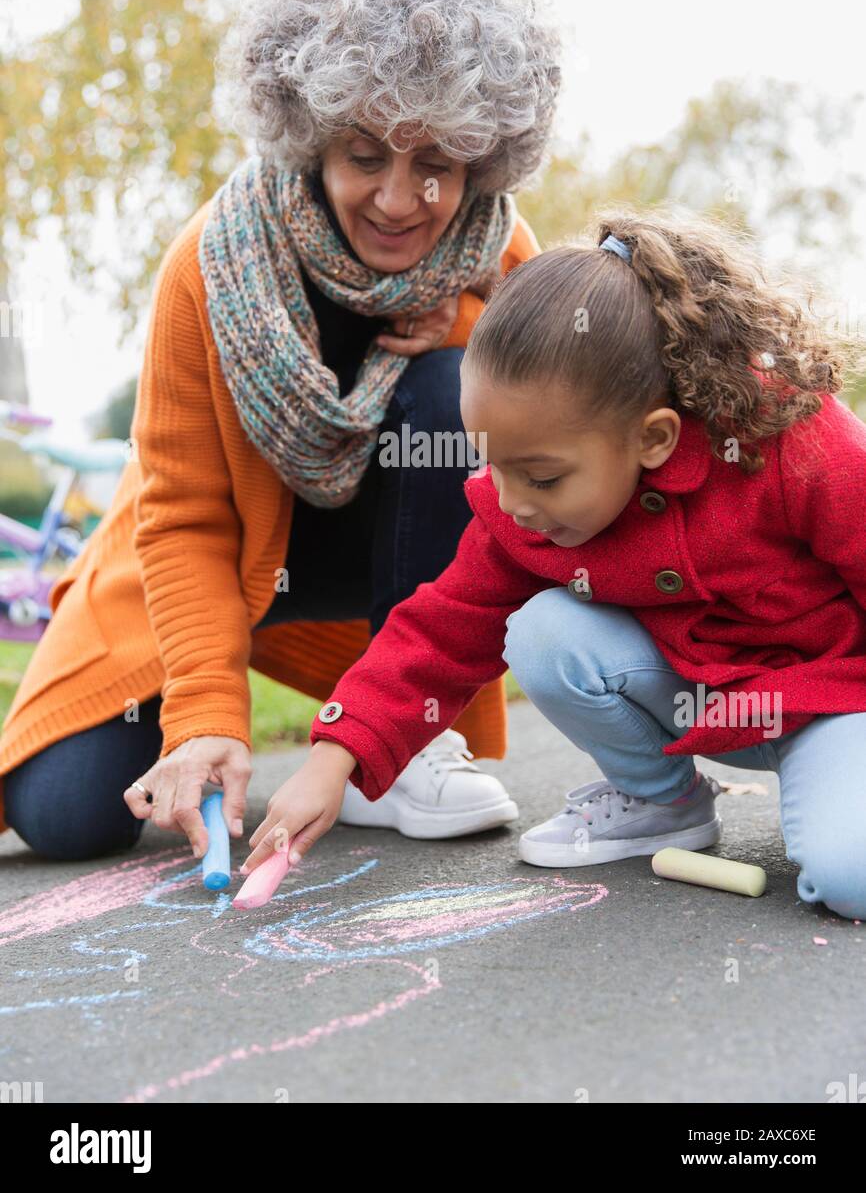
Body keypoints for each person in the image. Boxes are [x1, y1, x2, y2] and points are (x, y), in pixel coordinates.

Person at [0, 0, 561, 860]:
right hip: (218, 561)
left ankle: (407, 746)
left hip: (382, 573)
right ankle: (208, 722)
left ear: (482, 158)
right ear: (310, 139)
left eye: (437, 163)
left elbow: (553, 433)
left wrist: (467, 331)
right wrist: (207, 718)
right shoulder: (210, 265)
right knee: (66, 816)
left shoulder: (501, 260)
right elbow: (179, 516)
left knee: (451, 390)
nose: (400, 197)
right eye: (366, 154)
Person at [235, 207, 866, 922]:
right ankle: (662, 802)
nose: (512, 503)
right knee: (542, 629)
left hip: (834, 704)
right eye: (492, 465)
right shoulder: (520, 509)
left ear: (653, 438)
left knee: (851, 881)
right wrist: (332, 759)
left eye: (540, 476)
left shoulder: (790, 440)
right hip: (696, 699)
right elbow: (440, 631)